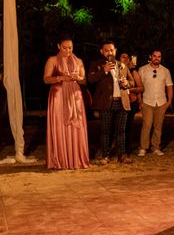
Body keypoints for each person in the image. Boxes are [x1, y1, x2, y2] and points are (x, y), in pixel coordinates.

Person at [43, 36, 90, 170]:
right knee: (59, 126)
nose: (68, 50)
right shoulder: (52, 60)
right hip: (58, 96)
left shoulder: (79, 61)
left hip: (75, 96)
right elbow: (46, 79)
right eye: (65, 47)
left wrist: (78, 78)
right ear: (59, 46)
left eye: (70, 47)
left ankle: (76, 159)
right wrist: (60, 78)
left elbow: (84, 80)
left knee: (76, 126)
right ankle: (60, 160)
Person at [88, 40, 133, 164]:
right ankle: (105, 156)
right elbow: (90, 79)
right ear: (102, 51)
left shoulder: (122, 65)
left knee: (121, 131)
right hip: (106, 103)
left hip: (122, 102)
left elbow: (132, 81)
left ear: (115, 50)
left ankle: (122, 156)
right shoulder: (96, 64)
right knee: (105, 131)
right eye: (106, 50)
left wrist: (127, 83)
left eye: (111, 50)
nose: (109, 52)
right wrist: (104, 70)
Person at [137, 50, 173, 157]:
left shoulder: (165, 71)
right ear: (150, 56)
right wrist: (140, 101)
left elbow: (169, 87)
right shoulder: (142, 70)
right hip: (147, 101)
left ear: (161, 58)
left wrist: (169, 101)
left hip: (161, 102)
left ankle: (156, 147)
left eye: (159, 56)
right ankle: (143, 147)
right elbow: (139, 87)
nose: (157, 58)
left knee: (158, 126)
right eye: (154, 56)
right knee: (147, 125)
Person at [119, 53, 144, 156]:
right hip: (117, 102)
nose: (126, 59)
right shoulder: (116, 70)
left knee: (127, 126)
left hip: (130, 102)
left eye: (127, 57)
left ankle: (126, 149)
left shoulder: (133, 72)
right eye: (123, 57)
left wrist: (128, 90)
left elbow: (141, 88)